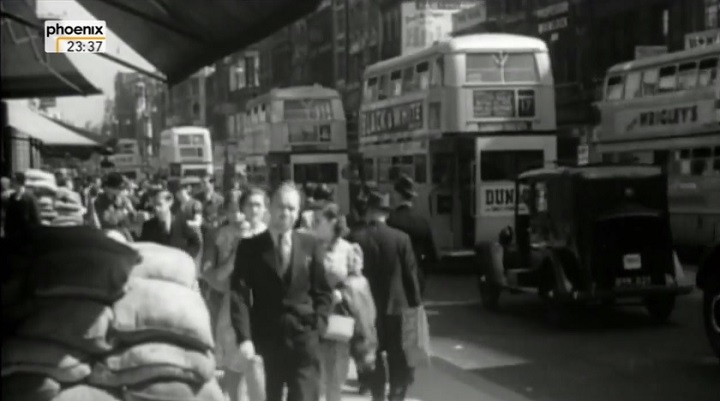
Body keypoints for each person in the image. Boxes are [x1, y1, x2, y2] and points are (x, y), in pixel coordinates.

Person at [230, 182, 333, 401]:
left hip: (304, 338)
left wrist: (320, 324)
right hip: (267, 340)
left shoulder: (310, 245)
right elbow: (239, 295)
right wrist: (244, 338)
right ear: (270, 207)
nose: (285, 213)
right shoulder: (250, 248)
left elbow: (323, 291)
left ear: (298, 213)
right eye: (281, 206)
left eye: (291, 208)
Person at [347, 190, 422, 401]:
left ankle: (377, 395)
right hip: (397, 307)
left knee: (373, 355)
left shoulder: (354, 238)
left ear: (368, 212)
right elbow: (410, 276)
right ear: (386, 213)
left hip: (365, 309)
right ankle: (396, 396)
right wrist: (416, 306)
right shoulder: (401, 239)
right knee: (398, 356)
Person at [206, 187, 268, 401]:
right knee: (235, 363)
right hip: (235, 302)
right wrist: (237, 252)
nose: (253, 210)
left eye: (258, 205)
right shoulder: (227, 234)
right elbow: (216, 276)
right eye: (250, 205)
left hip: (264, 303)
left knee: (260, 363)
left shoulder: (271, 234)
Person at [313, 202, 364, 401]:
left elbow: (358, 283)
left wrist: (343, 293)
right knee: (317, 375)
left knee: (337, 375)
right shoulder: (309, 246)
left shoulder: (349, 250)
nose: (314, 225)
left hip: (338, 318)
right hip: (314, 318)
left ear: (333, 222)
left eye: (319, 221)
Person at [387, 175, 438, 296]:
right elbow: (432, 255)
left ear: (397, 195)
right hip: (416, 276)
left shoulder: (390, 221)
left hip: (394, 279)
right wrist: (422, 273)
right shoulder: (422, 222)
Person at [139, 189, 202, 259]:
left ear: (170, 202)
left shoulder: (183, 222)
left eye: (159, 204)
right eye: (154, 205)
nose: (156, 208)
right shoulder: (148, 226)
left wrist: (186, 259)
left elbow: (196, 242)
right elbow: (144, 249)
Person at [92, 173, 136, 241]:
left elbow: (133, 216)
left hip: (123, 232)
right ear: (107, 187)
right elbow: (107, 220)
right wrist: (118, 210)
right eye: (118, 188)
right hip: (107, 233)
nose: (121, 190)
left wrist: (130, 212)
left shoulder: (122, 198)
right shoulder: (99, 201)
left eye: (122, 188)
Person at [3, 172, 41, 240]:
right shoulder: (12, 197)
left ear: (19, 181)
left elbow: (36, 220)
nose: (11, 183)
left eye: (13, 180)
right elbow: (8, 217)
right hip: (13, 236)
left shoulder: (30, 198)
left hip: (25, 236)